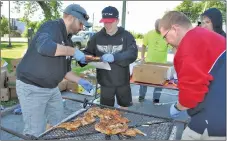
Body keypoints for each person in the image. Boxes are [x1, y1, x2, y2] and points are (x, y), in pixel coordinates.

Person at [16, 4, 93, 137]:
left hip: (52, 89)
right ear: (71, 18)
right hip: (32, 87)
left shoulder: (69, 40)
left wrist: (81, 80)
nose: (82, 27)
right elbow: (44, 47)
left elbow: (65, 71)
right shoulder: (51, 27)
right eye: (81, 23)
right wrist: (73, 51)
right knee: (34, 132)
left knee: (57, 124)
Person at [159, 11, 226, 140]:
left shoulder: (188, 47)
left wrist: (177, 107)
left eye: (165, 36)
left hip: (211, 122)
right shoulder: (208, 36)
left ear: (174, 29)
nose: (166, 42)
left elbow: (190, 97)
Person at [79, 6, 138, 108]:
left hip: (122, 81)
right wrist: (83, 58)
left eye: (111, 22)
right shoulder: (97, 37)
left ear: (117, 21)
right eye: (105, 22)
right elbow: (88, 52)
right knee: (106, 111)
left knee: (125, 108)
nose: (108, 25)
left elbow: (132, 53)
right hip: (105, 81)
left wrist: (115, 57)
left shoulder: (127, 36)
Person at [138, 19, 170, 103]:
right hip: (149, 62)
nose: (158, 30)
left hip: (161, 63)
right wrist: (142, 57)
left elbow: (172, 46)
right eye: (157, 28)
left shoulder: (167, 35)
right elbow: (144, 45)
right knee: (144, 80)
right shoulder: (149, 33)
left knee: (160, 83)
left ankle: (156, 98)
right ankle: (141, 96)